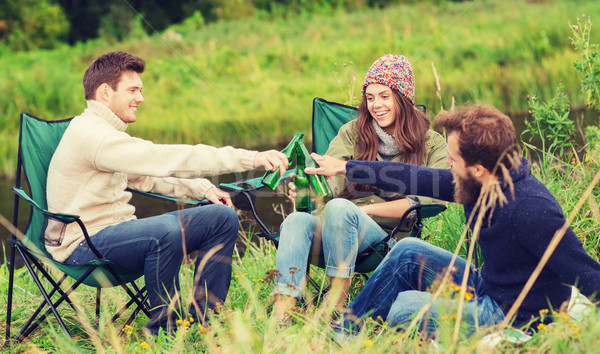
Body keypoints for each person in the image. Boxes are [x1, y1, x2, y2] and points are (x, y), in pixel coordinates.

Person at [45, 51, 289, 335]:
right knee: (165, 230)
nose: (141, 98)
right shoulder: (93, 136)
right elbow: (168, 157)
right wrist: (249, 158)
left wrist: (202, 188)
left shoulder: (105, 134)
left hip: (119, 233)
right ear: (104, 93)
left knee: (222, 217)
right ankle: (165, 329)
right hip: (83, 244)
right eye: (133, 90)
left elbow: (146, 178)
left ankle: (205, 318)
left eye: (141, 90)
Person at [306, 103, 600, 336]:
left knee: (405, 309)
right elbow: (413, 177)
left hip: (513, 315)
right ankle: (346, 331)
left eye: (453, 159)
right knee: (406, 250)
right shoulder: (478, 182)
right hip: (487, 284)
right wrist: (346, 166)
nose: (447, 163)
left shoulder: (531, 209)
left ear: (479, 168)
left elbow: (585, 273)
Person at [272, 54, 448, 320]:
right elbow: (331, 182)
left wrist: (362, 213)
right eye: (370, 97)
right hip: (334, 227)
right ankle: (283, 311)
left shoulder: (432, 143)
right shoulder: (353, 132)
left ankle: (337, 303)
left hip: (386, 238)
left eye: (384, 96)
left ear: (403, 97)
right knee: (296, 220)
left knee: (342, 208)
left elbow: (430, 199)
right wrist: (309, 188)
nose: (376, 105)